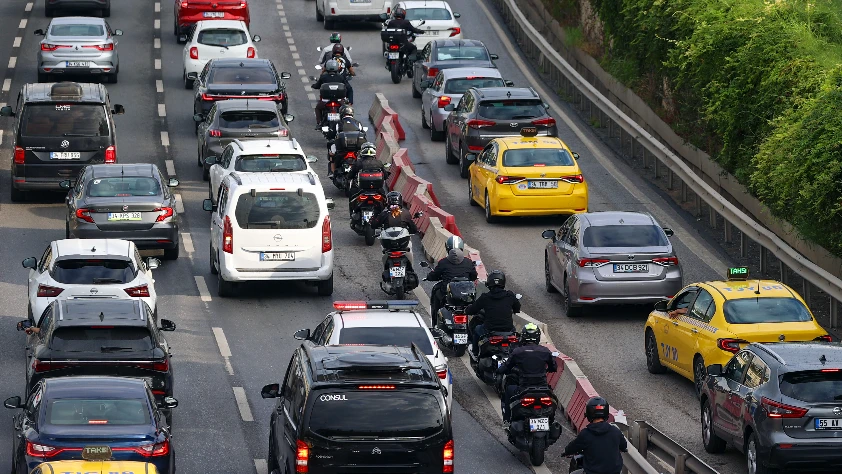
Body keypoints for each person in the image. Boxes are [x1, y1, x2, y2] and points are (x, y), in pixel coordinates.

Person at [496, 323, 557, 424]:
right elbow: (553, 367)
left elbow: (506, 367)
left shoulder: (517, 352)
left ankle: (507, 421)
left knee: (509, 390)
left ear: (523, 336)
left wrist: (499, 370)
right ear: (538, 337)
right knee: (553, 399)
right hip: (543, 388)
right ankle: (551, 420)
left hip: (523, 388)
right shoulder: (545, 351)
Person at [563, 397, 627, 474]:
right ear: (606, 412)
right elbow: (624, 446)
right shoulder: (615, 431)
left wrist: (565, 451)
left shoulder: (585, 434)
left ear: (588, 413)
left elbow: (572, 447)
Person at [465, 270, 520, 355]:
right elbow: (517, 308)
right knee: (515, 334)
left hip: (489, 330)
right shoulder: (510, 295)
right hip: (508, 329)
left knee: (477, 329)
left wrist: (467, 309)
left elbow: (472, 310)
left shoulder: (485, 297)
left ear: (489, 282)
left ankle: (475, 352)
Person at [426, 236, 477, 325]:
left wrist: (429, 277)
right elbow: (474, 276)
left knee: (436, 293)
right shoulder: (468, 262)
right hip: (465, 296)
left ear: (447, 248)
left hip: (446, 295)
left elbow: (433, 275)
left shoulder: (443, 262)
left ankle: (434, 323)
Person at [311, 59, 351, 128]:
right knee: (346, 109)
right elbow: (347, 86)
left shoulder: (323, 77)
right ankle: (347, 122)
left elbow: (317, 85)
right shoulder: (340, 77)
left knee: (318, 108)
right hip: (339, 100)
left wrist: (313, 85)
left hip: (326, 100)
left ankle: (319, 123)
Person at [327, 105, 365, 178]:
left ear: (341, 113)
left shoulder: (338, 123)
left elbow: (331, 134)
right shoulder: (358, 123)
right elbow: (363, 133)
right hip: (356, 147)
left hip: (342, 147)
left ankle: (332, 171)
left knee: (332, 154)